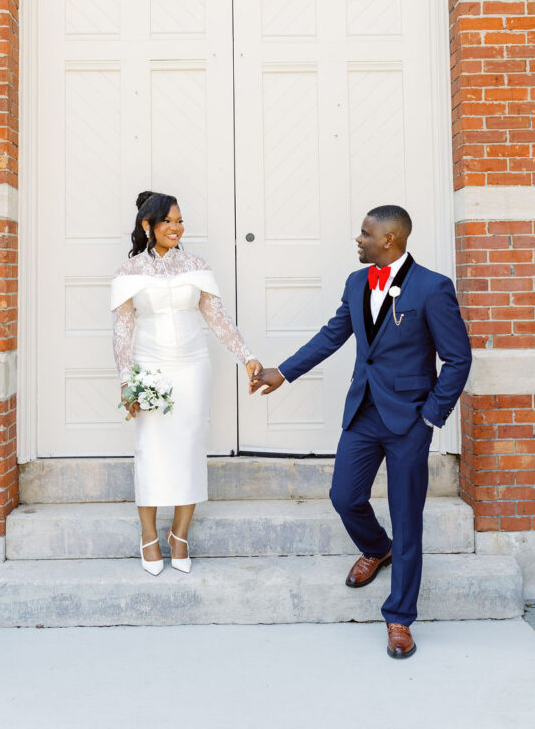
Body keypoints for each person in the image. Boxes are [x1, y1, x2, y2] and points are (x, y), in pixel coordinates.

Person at [249, 204, 472, 658]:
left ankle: (399, 618)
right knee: (344, 496)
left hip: (410, 419)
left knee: (408, 519)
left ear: (389, 239)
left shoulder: (432, 288)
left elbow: (458, 358)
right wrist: (284, 372)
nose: (358, 239)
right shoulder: (356, 283)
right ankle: (376, 547)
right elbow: (332, 336)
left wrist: (431, 415)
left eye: (365, 233)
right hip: (364, 414)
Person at [111, 191, 262, 575]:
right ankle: (148, 536)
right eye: (168, 222)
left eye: (180, 222)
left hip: (193, 368)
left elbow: (218, 319)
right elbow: (122, 331)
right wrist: (126, 381)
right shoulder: (129, 272)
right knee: (150, 449)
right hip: (150, 368)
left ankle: (180, 535)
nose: (176, 228)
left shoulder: (196, 265)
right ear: (148, 226)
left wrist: (246, 356)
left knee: (190, 447)